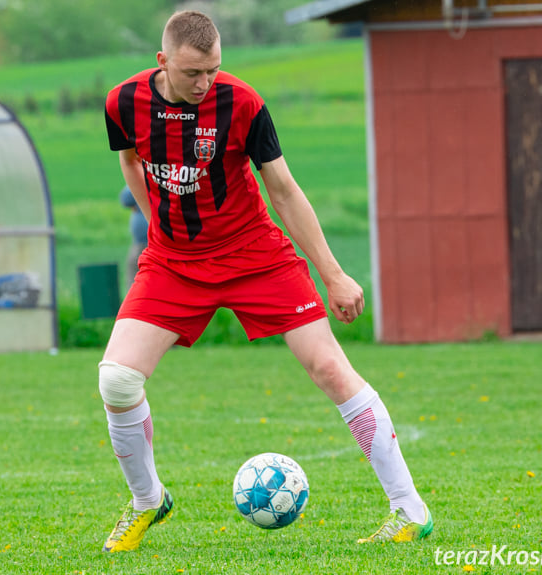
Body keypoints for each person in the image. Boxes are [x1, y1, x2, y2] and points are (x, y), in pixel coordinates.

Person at [99, 11, 432, 552]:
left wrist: (334, 275)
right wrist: (157, 223)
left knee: (329, 367)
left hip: (255, 255)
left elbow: (283, 190)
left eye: (213, 70)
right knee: (116, 379)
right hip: (174, 262)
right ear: (162, 63)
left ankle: (409, 509)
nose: (204, 83)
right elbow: (131, 162)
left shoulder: (242, 103)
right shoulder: (122, 102)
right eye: (191, 73)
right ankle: (146, 501)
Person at [120, 186, 149, 288]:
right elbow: (125, 199)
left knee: (135, 277)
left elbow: (127, 198)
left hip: (150, 243)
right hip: (141, 242)